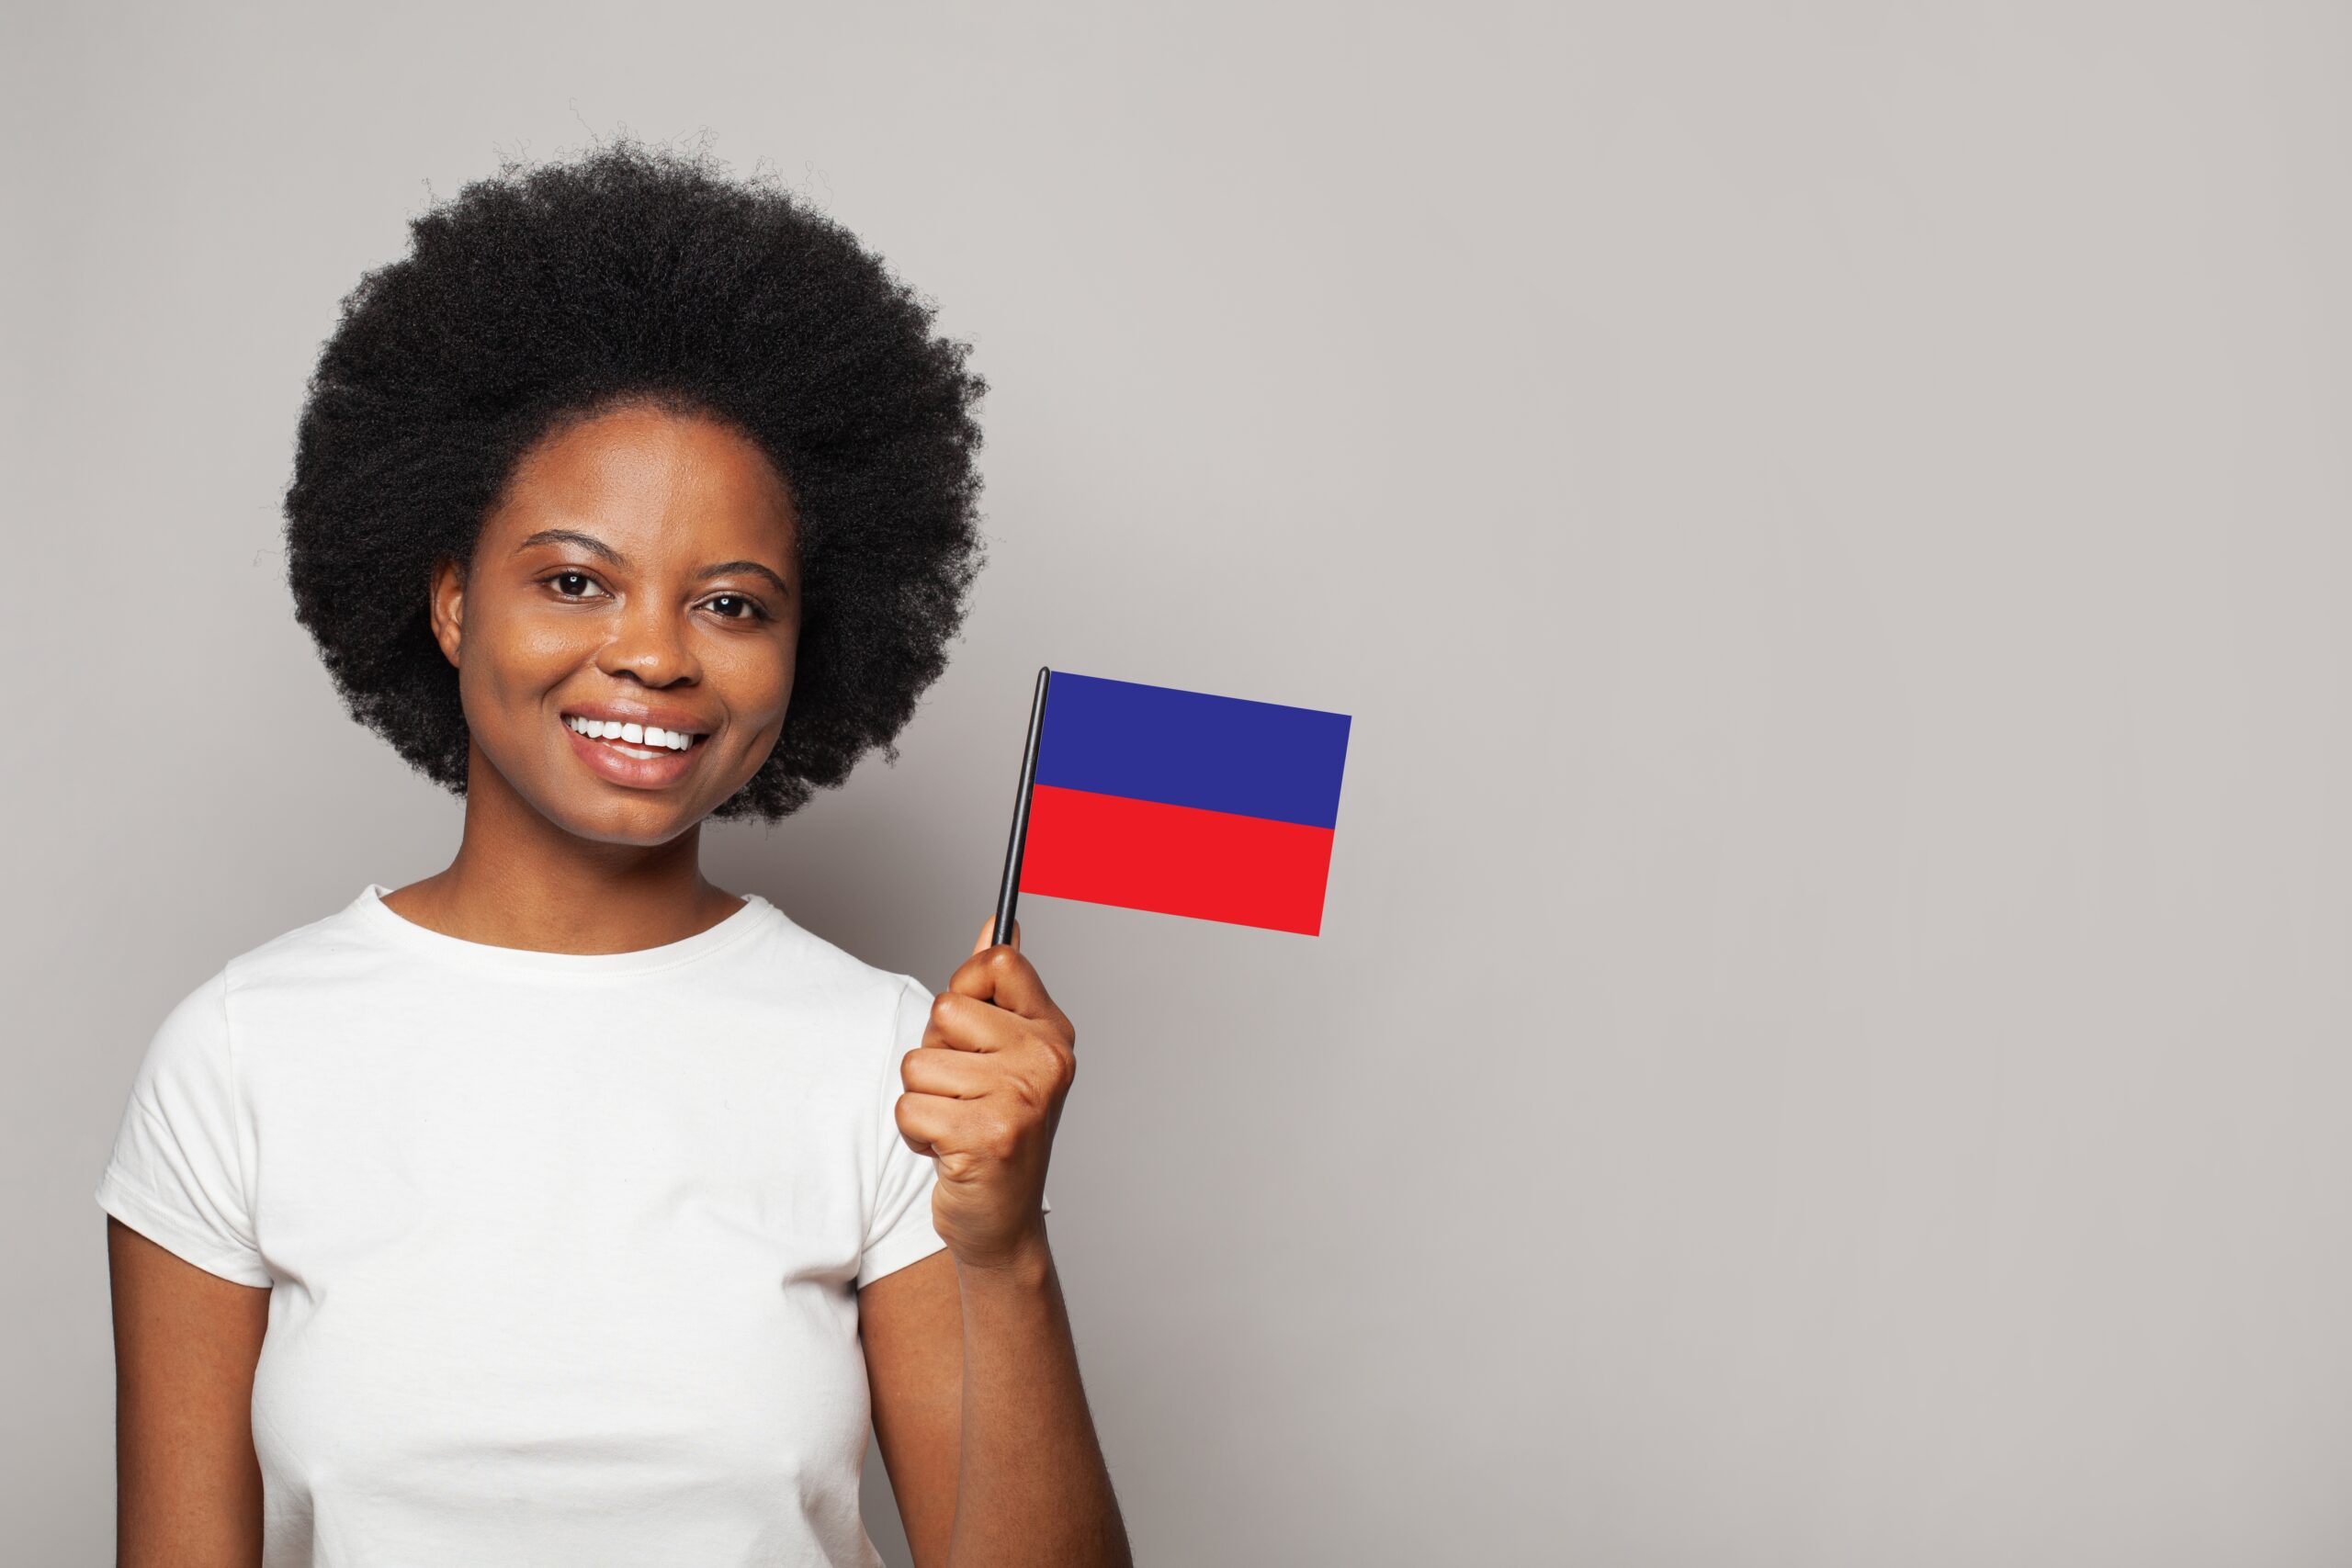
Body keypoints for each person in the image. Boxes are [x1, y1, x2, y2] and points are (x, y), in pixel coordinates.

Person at [94, 137, 1132, 1568]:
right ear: (454, 601)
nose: (650, 655)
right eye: (575, 581)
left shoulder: (896, 1065)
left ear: (802, 650)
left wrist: (1003, 1251)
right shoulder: (241, 1056)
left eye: (732, 603)